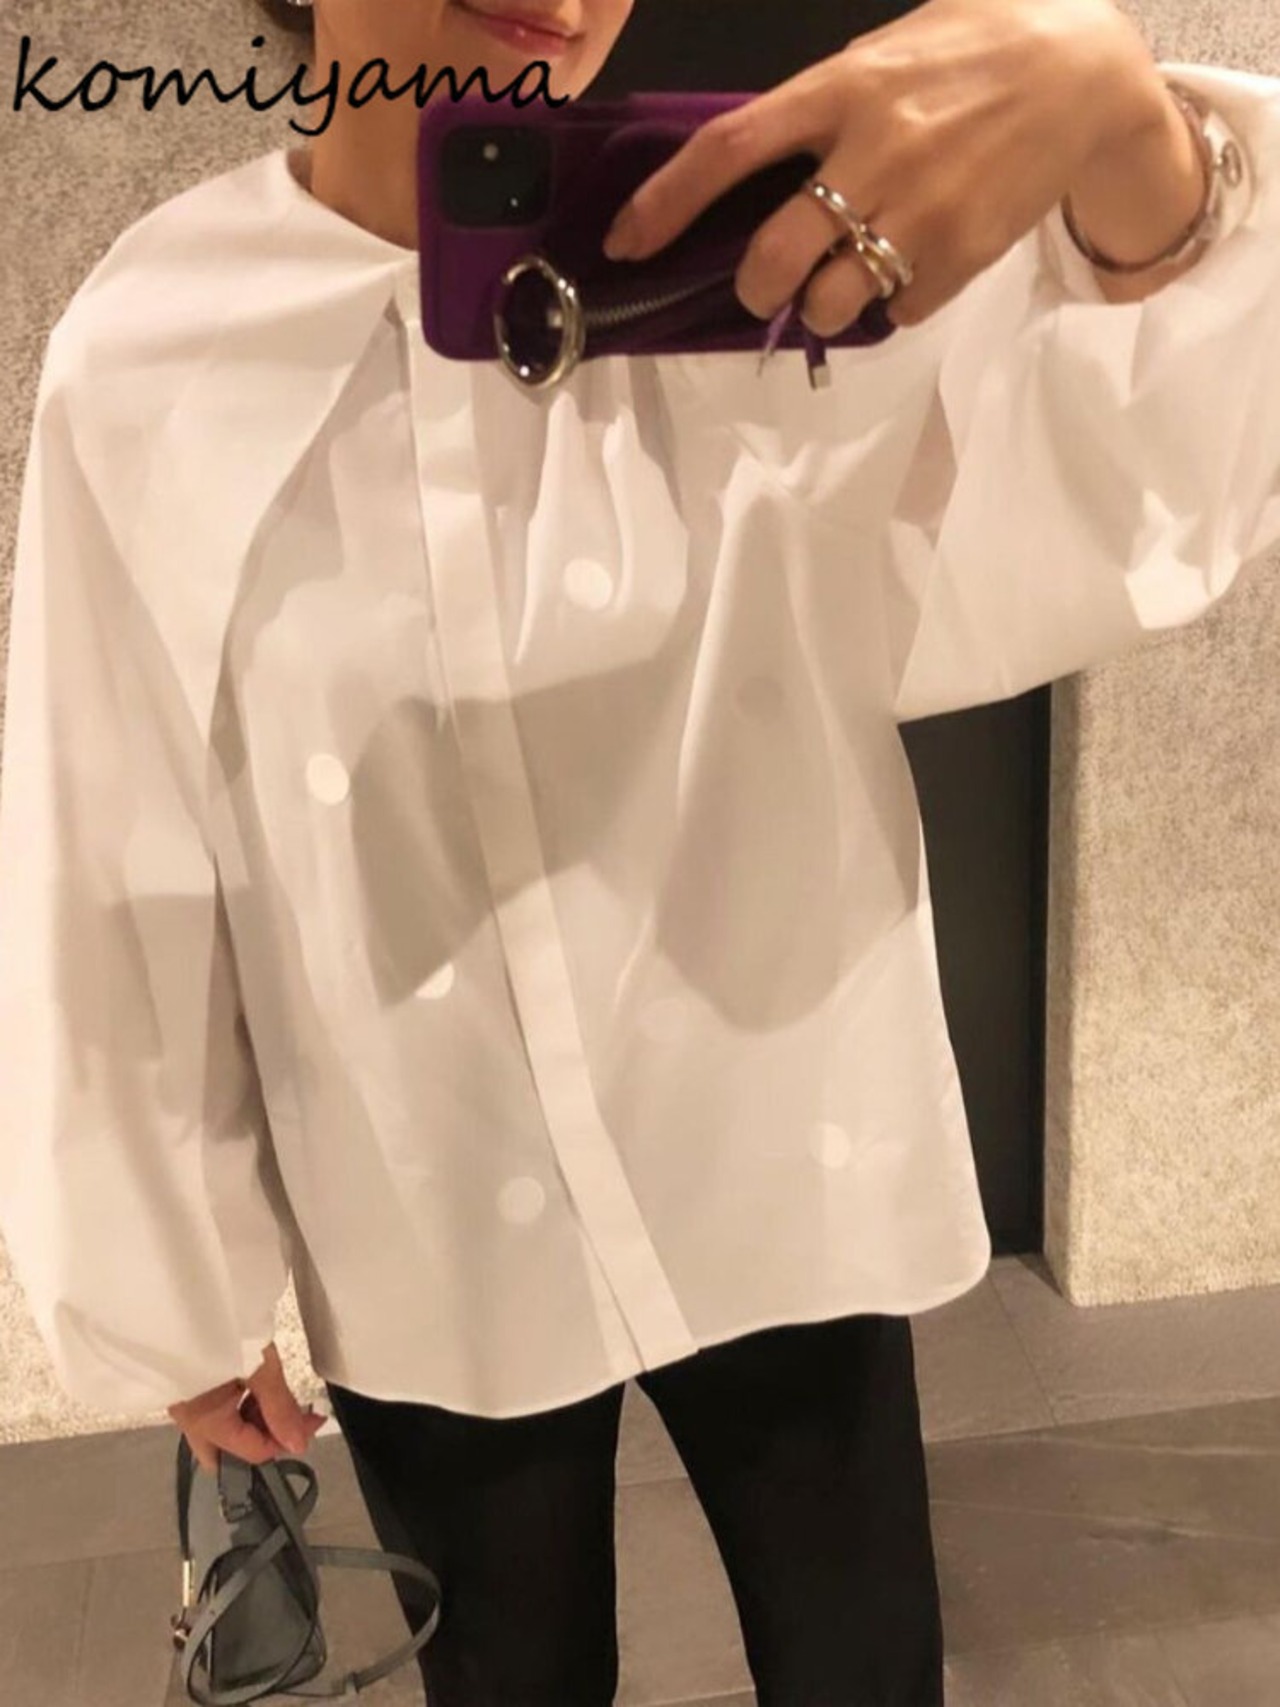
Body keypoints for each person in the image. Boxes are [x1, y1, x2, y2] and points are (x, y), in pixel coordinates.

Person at [0, 0, 1277, 1702]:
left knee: (864, 1662)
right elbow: (116, 831)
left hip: (774, 1130)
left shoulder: (765, 263)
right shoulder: (155, 352)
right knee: (511, 1676)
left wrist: (1116, 110)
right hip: (425, 1190)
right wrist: (165, 1277)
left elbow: (1123, 467)